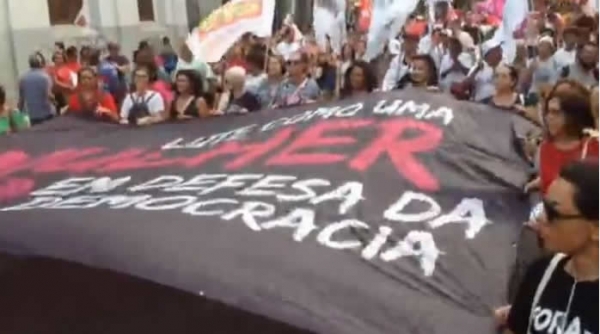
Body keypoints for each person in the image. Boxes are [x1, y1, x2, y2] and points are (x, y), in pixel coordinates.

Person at [505, 160, 598, 334]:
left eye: (553, 212)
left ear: (596, 229)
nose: (541, 217)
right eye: (543, 206)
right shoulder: (541, 273)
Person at [525, 82, 598, 195]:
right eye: (548, 112)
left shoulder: (592, 145)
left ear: (572, 116)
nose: (549, 117)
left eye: (556, 112)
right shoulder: (546, 147)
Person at [19, 54, 55, 126]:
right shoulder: (45, 77)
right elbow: (49, 95)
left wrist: (20, 112)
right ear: (40, 63)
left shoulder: (23, 78)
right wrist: (55, 101)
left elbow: (21, 99)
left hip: (33, 114)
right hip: (47, 113)